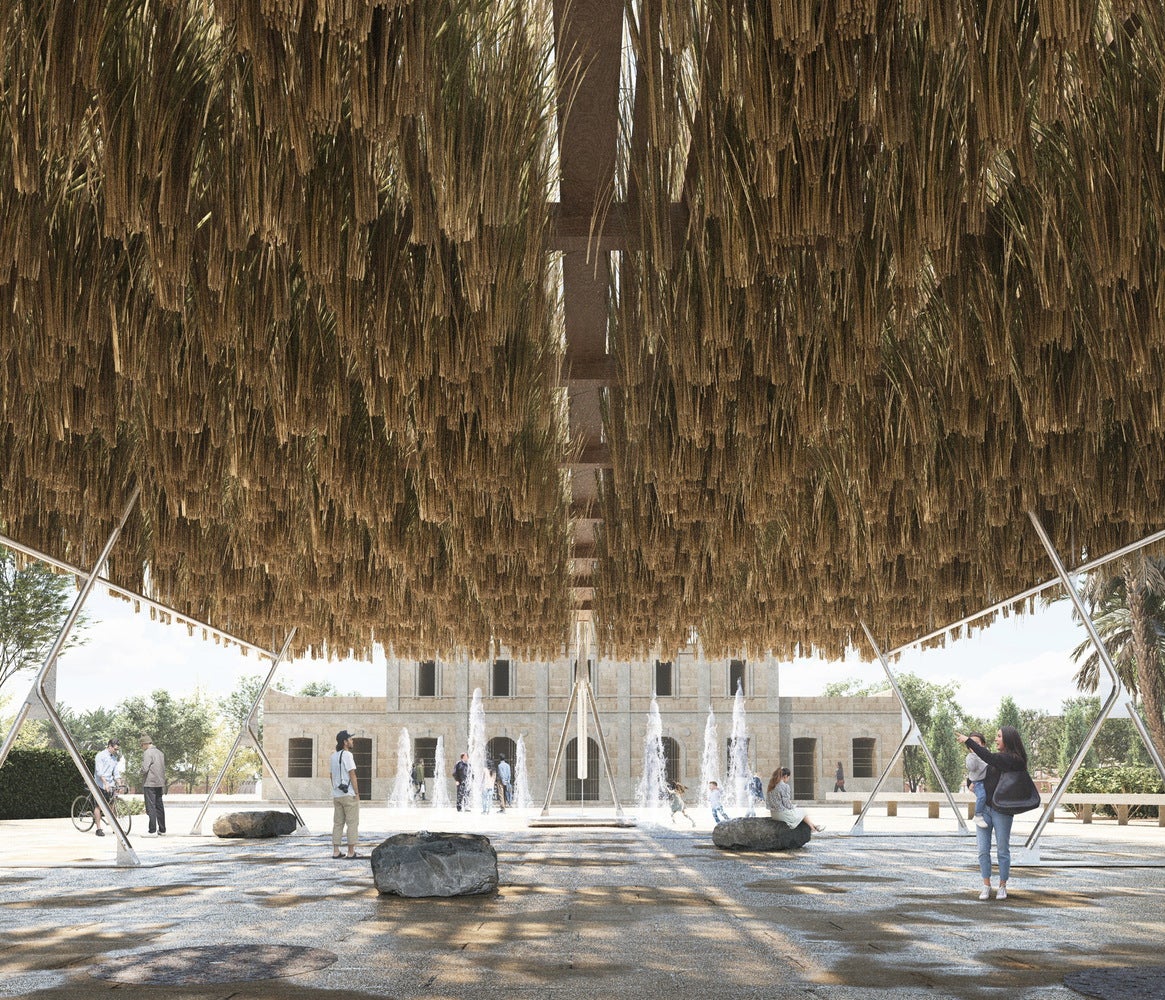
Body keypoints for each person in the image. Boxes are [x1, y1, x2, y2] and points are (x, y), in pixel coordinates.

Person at [957, 726, 1028, 900]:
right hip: (985, 809)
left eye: (999, 736)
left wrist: (968, 740)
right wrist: (969, 782)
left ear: (1009, 740)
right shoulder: (994, 758)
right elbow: (979, 774)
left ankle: (1002, 885)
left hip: (1002, 810)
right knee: (982, 850)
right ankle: (986, 885)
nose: (996, 739)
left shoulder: (1013, 759)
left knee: (1002, 850)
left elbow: (990, 758)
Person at [330, 730, 361, 859]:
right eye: (350, 739)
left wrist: (336, 789)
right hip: (349, 794)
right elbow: (352, 774)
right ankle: (351, 851)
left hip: (337, 795)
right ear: (345, 742)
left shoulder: (333, 756)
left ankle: (336, 851)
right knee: (352, 822)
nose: (352, 741)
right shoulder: (348, 755)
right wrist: (357, 793)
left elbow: (331, 775)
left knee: (338, 823)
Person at [766, 768, 825, 833]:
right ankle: (813, 828)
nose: (788, 779)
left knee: (799, 813)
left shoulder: (771, 786)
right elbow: (787, 804)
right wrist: (793, 807)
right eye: (788, 777)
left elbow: (768, 803)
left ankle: (814, 827)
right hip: (782, 815)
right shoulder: (784, 786)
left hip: (774, 815)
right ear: (785, 776)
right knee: (803, 811)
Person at [91, 738, 120, 837]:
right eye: (115, 749)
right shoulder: (100, 756)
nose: (116, 751)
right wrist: (105, 783)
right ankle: (98, 829)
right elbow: (99, 772)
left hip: (110, 783)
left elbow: (116, 773)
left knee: (112, 805)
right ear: (109, 746)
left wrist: (119, 783)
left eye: (117, 749)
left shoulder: (114, 758)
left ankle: (115, 828)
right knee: (98, 806)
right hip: (100, 783)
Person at [139, 734, 166, 836]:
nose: (142, 748)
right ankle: (162, 830)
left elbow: (145, 768)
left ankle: (152, 830)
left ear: (145, 744)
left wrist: (139, 772)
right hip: (160, 783)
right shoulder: (160, 753)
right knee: (159, 806)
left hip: (150, 783)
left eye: (141, 745)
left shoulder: (147, 753)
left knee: (151, 807)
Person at [964, 732, 990, 829]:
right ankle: (977, 815)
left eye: (977, 743)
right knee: (982, 796)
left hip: (985, 780)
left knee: (983, 796)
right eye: (971, 743)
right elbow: (972, 767)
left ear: (983, 744)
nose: (974, 745)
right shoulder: (971, 757)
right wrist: (974, 755)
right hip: (977, 782)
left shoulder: (987, 755)